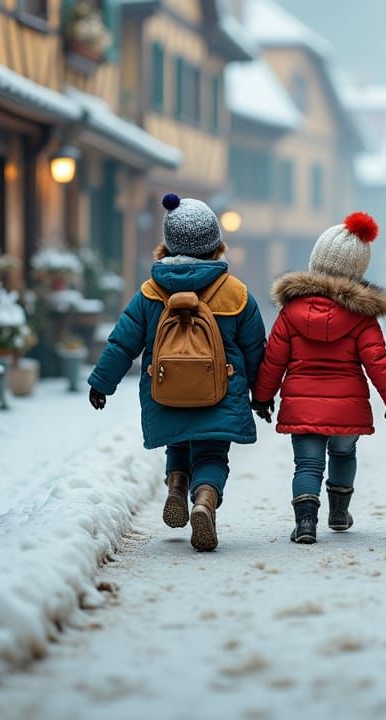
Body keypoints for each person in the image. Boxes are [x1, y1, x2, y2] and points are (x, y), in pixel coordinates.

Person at [86, 193, 266, 552]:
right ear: (215, 244)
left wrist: (102, 382)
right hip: (220, 393)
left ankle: (177, 486)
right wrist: (261, 395)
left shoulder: (150, 293)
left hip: (165, 391)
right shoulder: (236, 294)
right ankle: (204, 500)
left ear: (167, 244)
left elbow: (122, 342)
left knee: (178, 443)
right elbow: (255, 349)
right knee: (212, 455)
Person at [251, 212, 386, 544]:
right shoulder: (361, 316)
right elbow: (378, 361)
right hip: (347, 410)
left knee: (307, 465)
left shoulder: (291, 311)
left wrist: (262, 397)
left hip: (302, 408)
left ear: (316, 261)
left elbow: (273, 359)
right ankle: (339, 512)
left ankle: (305, 523)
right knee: (343, 454)